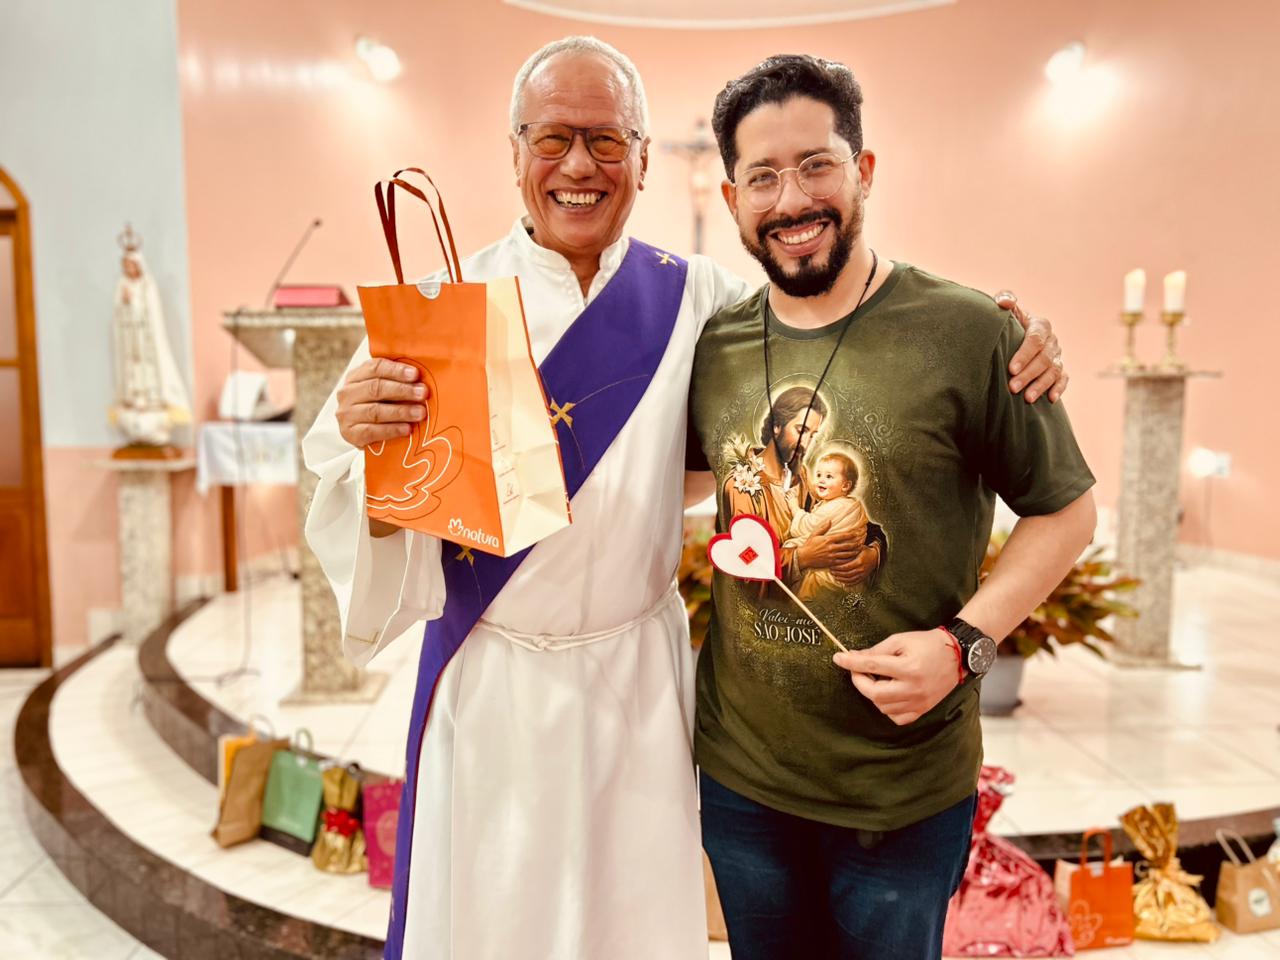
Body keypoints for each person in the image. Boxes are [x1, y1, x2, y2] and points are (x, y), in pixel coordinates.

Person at [302, 36, 1069, 960]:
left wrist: (1009, 332)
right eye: (551, 139)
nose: (578, 167)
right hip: (494, 682)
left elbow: (829, 307)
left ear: (643, 160)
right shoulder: (438, 307)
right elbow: (355, 499)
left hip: (637, 688)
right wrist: (364, 449)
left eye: (606, 140)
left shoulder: (698, 300)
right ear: (514, 153)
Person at [687, 54, 1098, 960]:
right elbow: (654, 477)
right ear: (732, 199)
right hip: (743, 782)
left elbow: (1066, 512)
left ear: (863, 170)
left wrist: (964, 646)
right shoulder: (713, 347)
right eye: (763, 176)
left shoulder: (970, 332)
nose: (792, 199)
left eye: (817, 165)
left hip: (900, 792)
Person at [783, 449, 879, 599]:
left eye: (829, 476)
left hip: (830, 573)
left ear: (845, 486)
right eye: (819, 475)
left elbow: (806, 527)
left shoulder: (836, 506)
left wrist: (794, 507)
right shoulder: (851, 504)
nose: (821, 480)